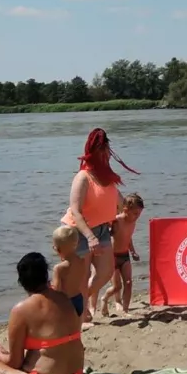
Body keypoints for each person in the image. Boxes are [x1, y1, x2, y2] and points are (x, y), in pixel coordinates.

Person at [63, 129, 123, 322]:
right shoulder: (83, 177)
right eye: (102, 151)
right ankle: (78, 318)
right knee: (82, 277)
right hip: (79, 232)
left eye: (107, 150)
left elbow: (119, 202)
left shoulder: (107, 177)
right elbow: (76, 212)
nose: (106, 155)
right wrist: (90, 237)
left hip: (103, 229)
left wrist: (128, 213)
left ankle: (77, 304)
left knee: (106, 271)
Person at [103, 194, 145, 317]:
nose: (137, 217)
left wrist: (133, 251)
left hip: (125, 255)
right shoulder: (116, 220)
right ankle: (104, 299)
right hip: (113, 257)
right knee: (117, 286)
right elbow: (104, 231)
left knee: (128, 282)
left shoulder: (132, 222)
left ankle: (125, 310)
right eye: (135, 213)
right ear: (125, 209)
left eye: (139, 214)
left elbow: (128, 238)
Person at [51, 226, 87, 322]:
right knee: (75, 327)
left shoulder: (59, 268)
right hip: (79, 299)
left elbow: (56, 290)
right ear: (78, 243)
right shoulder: (82, 261)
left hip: (65, 302)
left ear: (57, 249)